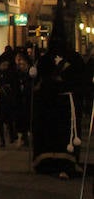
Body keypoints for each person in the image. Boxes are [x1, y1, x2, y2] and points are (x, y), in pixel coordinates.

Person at [32, 36, 85, 178]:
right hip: (60, 104)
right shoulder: (72, 58)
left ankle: (60, 164)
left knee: (59, 134)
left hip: (55, 105)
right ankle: (61, 164)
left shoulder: (47, 59)